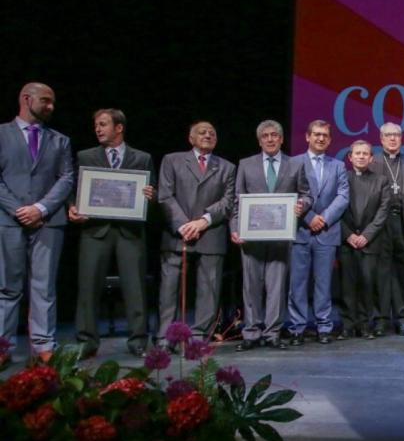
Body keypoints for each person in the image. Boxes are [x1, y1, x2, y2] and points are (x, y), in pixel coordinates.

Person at [69, 109, 156, 358]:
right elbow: (73, 189)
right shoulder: (85, 156)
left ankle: (138, 340)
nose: (98, 129)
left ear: (119, 128)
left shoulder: (142, 158)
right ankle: (86, 341)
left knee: (135, 286)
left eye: (103, 124)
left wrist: (151, 195)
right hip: (95, 230)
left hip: (130, 231)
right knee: (88, 286)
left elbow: (152, 193)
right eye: (96, 125)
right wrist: (72, 207)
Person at [0, 82, 74, 365]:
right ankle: (3, 346)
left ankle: (44, 344)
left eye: (52, 102)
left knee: (44, 286)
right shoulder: (2, 134)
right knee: (7, 287)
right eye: (45, 100)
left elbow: (66, 177)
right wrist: (19, 210)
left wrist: (40, 208)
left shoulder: (60, 140)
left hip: (48, 221)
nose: (50, 107)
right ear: (26, 98)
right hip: (8, 220)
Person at [232, 120, 311, 351]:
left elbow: (306, 195)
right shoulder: (246, 164)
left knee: (276, 287)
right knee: (251, 286)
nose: (270, 139)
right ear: (259, 141)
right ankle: (251, 332)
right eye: (265, 136)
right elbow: (237, 201)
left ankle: (273, 333)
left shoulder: (295, 164)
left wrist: (302, 205)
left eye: (274, 135)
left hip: (280, 237)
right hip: (251, 236)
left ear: (281, 139)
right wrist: (235, 228)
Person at [157, 121, 236, 345]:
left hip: (210, 233)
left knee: (209, 289)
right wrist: (184, 224)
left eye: (212, 133)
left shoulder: (227, 167)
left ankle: (200, 336)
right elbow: (165, 196)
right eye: (202, 132)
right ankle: (166, 337)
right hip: (177, 235)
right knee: (169, 289)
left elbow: (228, 201)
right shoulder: (172, 160)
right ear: (191, 138)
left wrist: (203, 221)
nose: (208, 135)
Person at [287, 120, 348, 346]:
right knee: (297, 283)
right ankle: (297, 327)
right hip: (300, 230)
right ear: (307, 137)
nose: (321, 138)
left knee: (324, 283)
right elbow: (289, 194)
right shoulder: (293, 163)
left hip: (327, 232)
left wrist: (323, 219)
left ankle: (324, 326)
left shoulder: (338, 165)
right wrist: (309, 217)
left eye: (325, 135)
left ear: (330, 140)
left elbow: (343, 196)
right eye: (316, 134)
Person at [369, 122, 404, 336]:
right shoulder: (372, 162)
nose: (392, 139)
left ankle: (403, 318)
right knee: (381, 273)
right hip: (380, 225)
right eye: (388, 135)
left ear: (401, 138)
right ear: (381, 139)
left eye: (396, 135)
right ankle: (381, 319)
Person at [339, 140, 389, 339]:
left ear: (371, 158)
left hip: (370, 242)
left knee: (368, 284)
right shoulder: (342, 178)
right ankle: (347, 325)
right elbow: (336, 209)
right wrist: (348, 234)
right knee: (347, 285)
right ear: (350, 157)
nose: (361, 156)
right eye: (357, 153)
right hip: (347, 241)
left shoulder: (381, 181)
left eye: (365, 153)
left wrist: (366, 235)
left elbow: (383, 211)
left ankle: (365, 324)